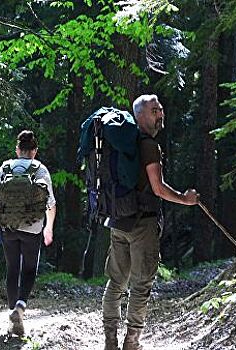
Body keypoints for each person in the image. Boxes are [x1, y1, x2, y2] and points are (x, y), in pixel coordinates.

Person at [102, 95, 199, 350]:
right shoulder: (148, 146)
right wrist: (185, 199)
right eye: (155, 111)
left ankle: (110, 341)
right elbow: (157, 188)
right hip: (142, 224)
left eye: (161, 109)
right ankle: (131, 343)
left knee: (116, 282)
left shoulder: (125, 145)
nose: (160, 114)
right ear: (141, 116)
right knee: (141, 285)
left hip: (118, 220)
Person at [0, 130, 56, 336]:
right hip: (33, 228)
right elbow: (51, 203)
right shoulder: (40, 170)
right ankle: (20, 307)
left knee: (12, 268)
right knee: (29, 269)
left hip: (8, 227)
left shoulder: (5, 168)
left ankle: (13, 312)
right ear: (35, 151)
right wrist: (48, 228)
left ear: (17, 150)